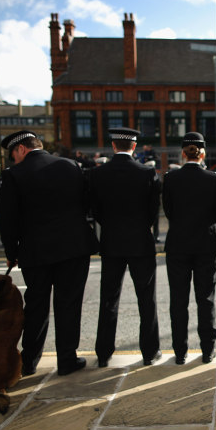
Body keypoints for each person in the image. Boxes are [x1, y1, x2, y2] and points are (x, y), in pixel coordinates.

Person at [0, 130, 98, 376]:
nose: (14, 160)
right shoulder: (71, 166)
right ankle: (67, 359)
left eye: (13, 155)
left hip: (35, 250)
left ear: (21, 149)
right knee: (69, 305)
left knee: (36, 305)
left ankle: (29, 361)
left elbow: (8, 220)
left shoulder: (13, 175)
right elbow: (86, 202)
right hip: (74, 247)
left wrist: (11, 252)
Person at [90, 127, 161, 367]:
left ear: (113, 146)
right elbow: (153, 211)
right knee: (146, 299)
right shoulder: (147, 172)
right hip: (141, 242)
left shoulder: (99, 174)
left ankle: (103, 353)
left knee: (109, 299)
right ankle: (150, 352)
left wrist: (110, 226)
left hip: (111, 242)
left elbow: (96, 210)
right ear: (134, 146)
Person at [162, 132, 216, 364]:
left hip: (178, 244)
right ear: (202, 153)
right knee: (205, 299)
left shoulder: (171, 178)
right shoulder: (212, 178)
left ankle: (180, 352)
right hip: (205, 244)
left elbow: (168, 211)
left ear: (183, 153)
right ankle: (207, 350)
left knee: (178, 300)